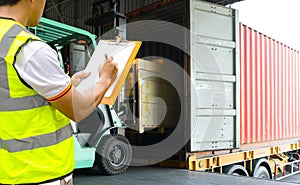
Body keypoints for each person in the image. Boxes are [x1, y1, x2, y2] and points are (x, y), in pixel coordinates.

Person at [0, 0, 118, 184]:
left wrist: (65, 84)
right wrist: (104, 80)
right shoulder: (27, 48)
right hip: (38, 173)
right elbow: (77, 109)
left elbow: (9, 94)